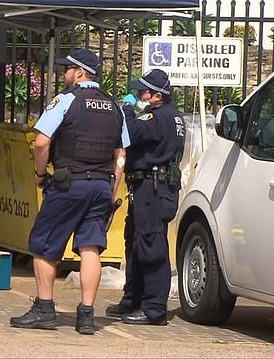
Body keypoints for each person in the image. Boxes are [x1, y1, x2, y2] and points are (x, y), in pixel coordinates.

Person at [9, 49, 130, 335]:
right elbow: (120, 154)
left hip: (69, 183)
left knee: (43, 245)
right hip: (101, 185)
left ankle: (44, 308)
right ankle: (87, 315)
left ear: (79, 72)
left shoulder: (66, 101)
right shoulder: (115, 106)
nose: (63, 75)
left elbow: (41, 143)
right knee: (90, 247)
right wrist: (112, 188)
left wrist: (40, 174)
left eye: (67, 70)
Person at [105, 69, 185, 325]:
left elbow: (131, 132)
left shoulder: (158, 117)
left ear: (157, 96)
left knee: (151, 245)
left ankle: (153, 308)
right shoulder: (172, 117)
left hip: (153, 187)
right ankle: (133, 299)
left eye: (143, 92)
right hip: (149, 187)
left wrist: (127, 109)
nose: (139, 94)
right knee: (136, 242)